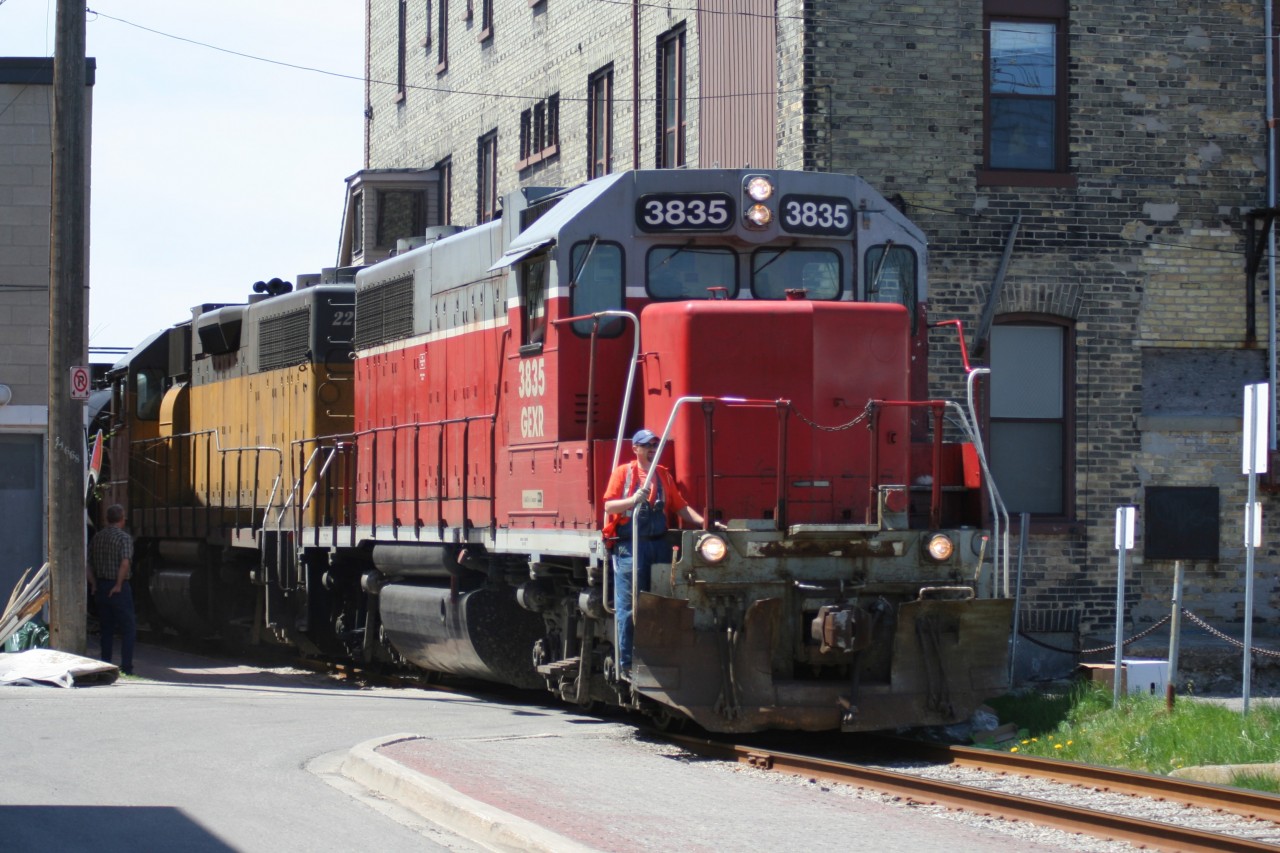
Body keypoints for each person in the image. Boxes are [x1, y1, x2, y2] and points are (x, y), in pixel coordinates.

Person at [602, 429, 705, 677]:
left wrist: (706, 525)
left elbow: (680, 508)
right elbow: (608, 505)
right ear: (635, 448)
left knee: (661, 601)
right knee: (629, 606)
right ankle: (626, 663)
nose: (651, 448)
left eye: (654, 445)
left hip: (658, 545)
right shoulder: (623, 474)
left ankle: (659, 658)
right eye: (646, 445)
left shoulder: (663, 476)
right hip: (630, 545)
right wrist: (632, 500)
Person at [87, 503, 136, 675]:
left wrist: (93, 583)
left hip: (101, 585)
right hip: (119, 588)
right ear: (122, 519)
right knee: (128, 628)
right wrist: (118, 584)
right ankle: (126, 667)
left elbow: (87, 563)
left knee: (106, 628)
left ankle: (106, 665)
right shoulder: (124, 538)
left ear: (107, 519)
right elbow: (125, 562)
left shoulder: (98, 537)